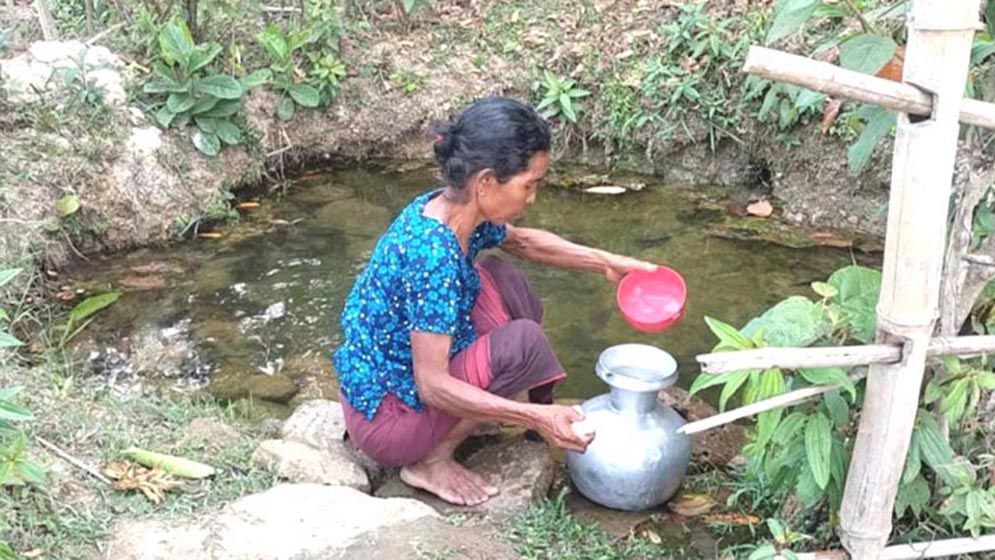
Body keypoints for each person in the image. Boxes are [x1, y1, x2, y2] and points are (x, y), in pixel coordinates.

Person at [332, 97, 657, 506]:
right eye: (529, 185)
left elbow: (521, 241)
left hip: (395, 381)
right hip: (388, 418)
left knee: (504, 279)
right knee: (524, 343)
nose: (533, 198)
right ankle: (430, 460)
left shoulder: (451, 210)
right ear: (486, 182)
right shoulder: (432, 256)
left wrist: (606, 262)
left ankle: (474, 417)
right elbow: (431, 384)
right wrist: (534, 415)